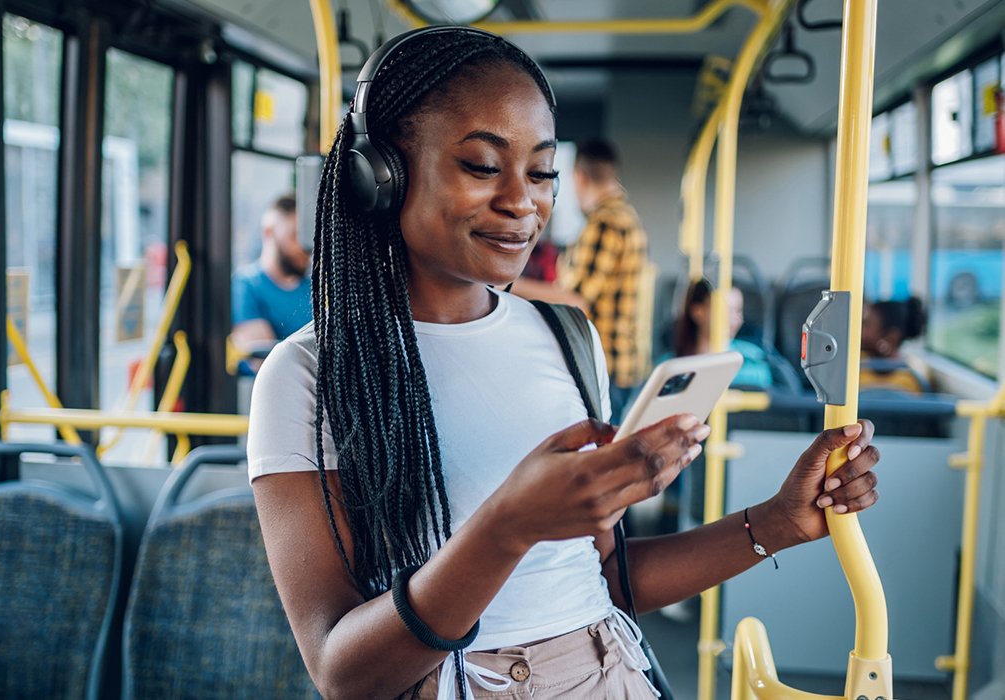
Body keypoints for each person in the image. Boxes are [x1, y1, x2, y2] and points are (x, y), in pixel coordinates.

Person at [248, 26, 881, 700]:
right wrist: (509, 526)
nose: (523, 201)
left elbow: (603, 580)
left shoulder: (567, 335)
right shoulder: (308, 375)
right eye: (482, 167)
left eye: (543, 170)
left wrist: (777, 521)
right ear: (381, 176)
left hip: (610, 673)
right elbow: (341, 672)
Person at [554, 139, 652, 417]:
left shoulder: (605, 223)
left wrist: (511, 287)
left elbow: (576, 299)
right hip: (624, 364)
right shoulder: (628, 218)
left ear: (579, 177)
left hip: (605, 363)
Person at [230, 193, 313, 366]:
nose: (305, 247)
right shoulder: (246, 285)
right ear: (269, 232)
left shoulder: (314, 290)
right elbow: (264, 363)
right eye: (295, 236)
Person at [669, 277, 774, 389]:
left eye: (738, 311)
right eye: (726, 310)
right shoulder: (671, 367)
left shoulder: (755, 359)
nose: (735, 319)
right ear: (698, 312)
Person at [859, 297, 930, 394]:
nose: (859, 330)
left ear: (890, 338)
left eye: (866, 325)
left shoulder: (912, 380)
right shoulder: (854, 363)